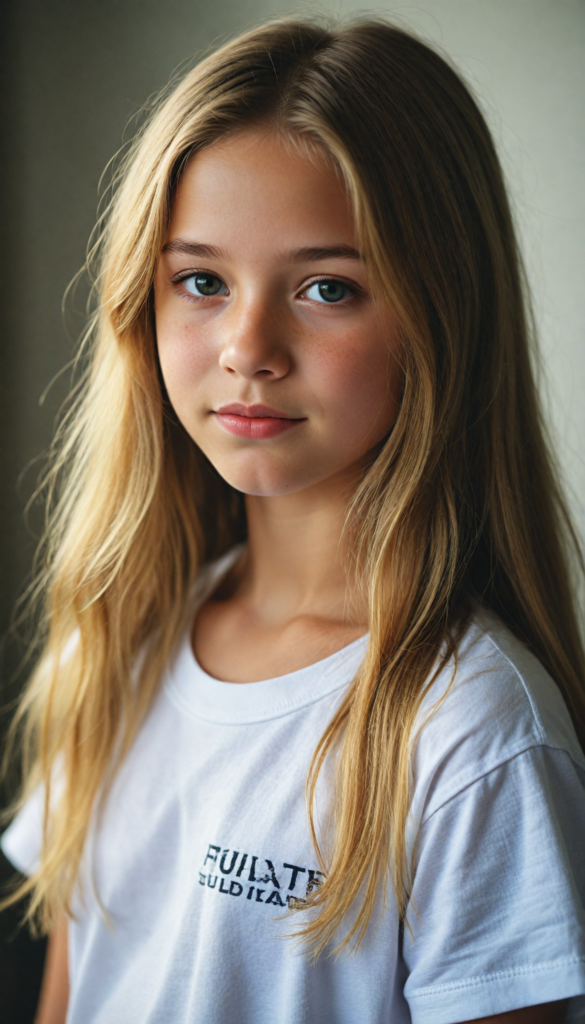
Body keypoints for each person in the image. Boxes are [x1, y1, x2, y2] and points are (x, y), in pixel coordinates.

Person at [1, 17, 584, 1024]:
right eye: (201, 281)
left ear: (441, 312)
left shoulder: (472, 736)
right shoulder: (118, 639)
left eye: (327, 288)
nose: (248, 346)